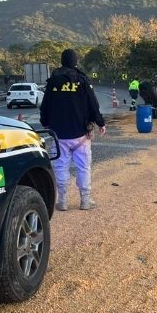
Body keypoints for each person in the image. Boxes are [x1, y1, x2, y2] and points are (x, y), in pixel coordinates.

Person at [40, 49, 106, 211]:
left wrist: (45, 122)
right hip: (80, 134)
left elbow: (45, 106)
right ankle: (85, 200)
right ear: (75, 62)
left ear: (62, 61)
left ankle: (62, 201)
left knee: (60, 167)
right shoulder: (83, 80)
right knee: (83, 167)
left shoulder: (53, 81)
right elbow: (93, 104)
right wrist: (100, 122)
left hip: (58, 135)